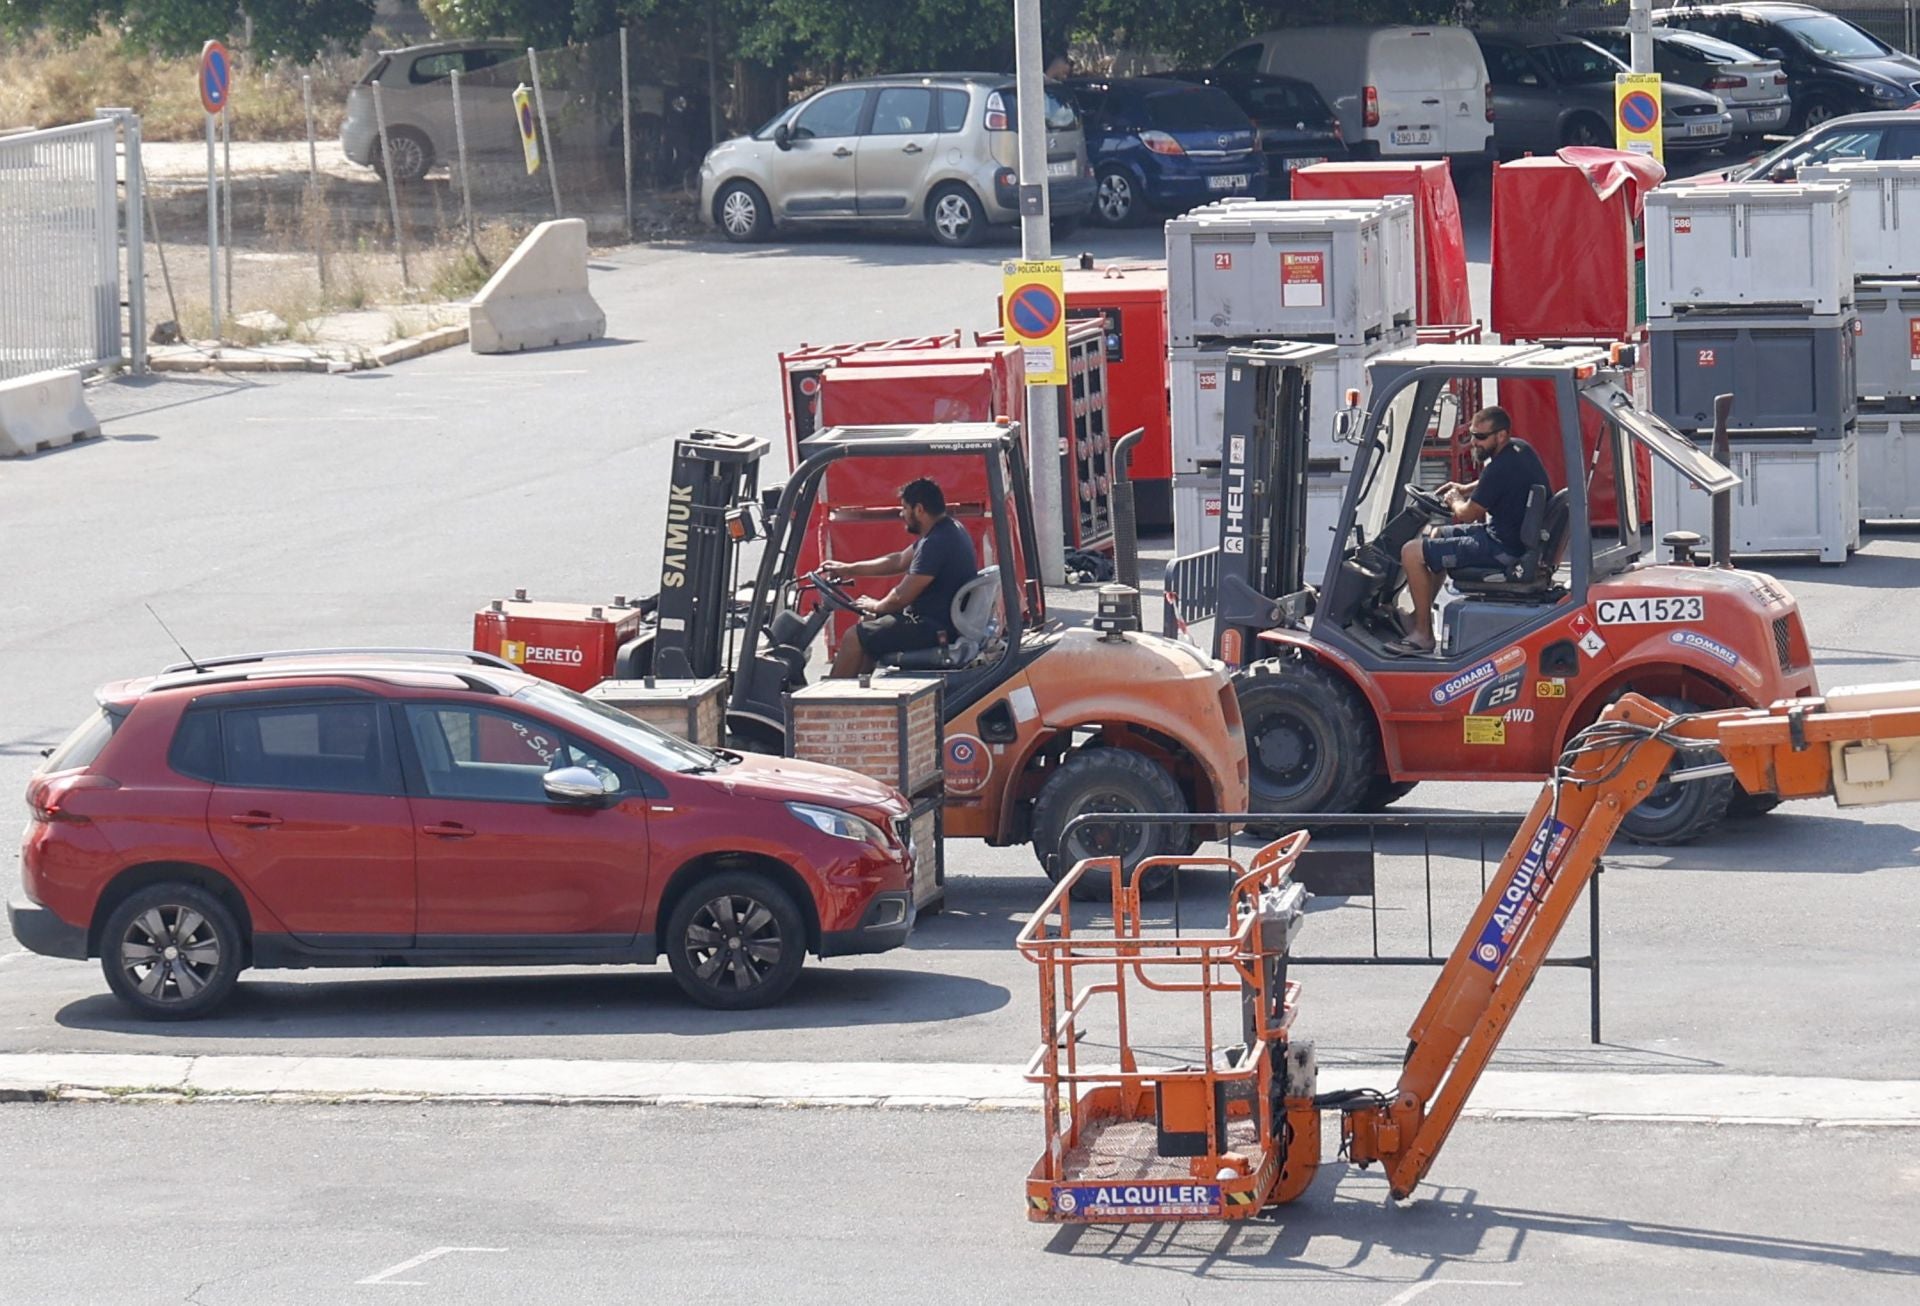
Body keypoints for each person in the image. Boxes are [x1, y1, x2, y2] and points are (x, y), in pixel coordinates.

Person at [1391, 406, 1550, 657]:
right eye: (1472, 435)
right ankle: (1419, 617)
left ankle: (1423, 635)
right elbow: (1489, 484)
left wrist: (1455, 499)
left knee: (1411, 552)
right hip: (1505, 538)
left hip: (1501, 550)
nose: (1474, 442)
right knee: (1437, 536)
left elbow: (1466, 513)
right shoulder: (1520, 450)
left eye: (1480, 437)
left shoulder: (1499, 468)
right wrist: (1463, 488)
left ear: (1501, 436)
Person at [822, 477, 979, 678]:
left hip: (932, 627)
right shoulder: (947, 530)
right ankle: (859, 692)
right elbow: (897, 561)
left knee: (854, 636)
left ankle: (829, 704)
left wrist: (876, 605)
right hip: (939, 621)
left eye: (904, 508)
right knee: (869, 622)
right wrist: (847, 569)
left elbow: (900, 597)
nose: (901, 513)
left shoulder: (936, 543)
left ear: (919, 509)